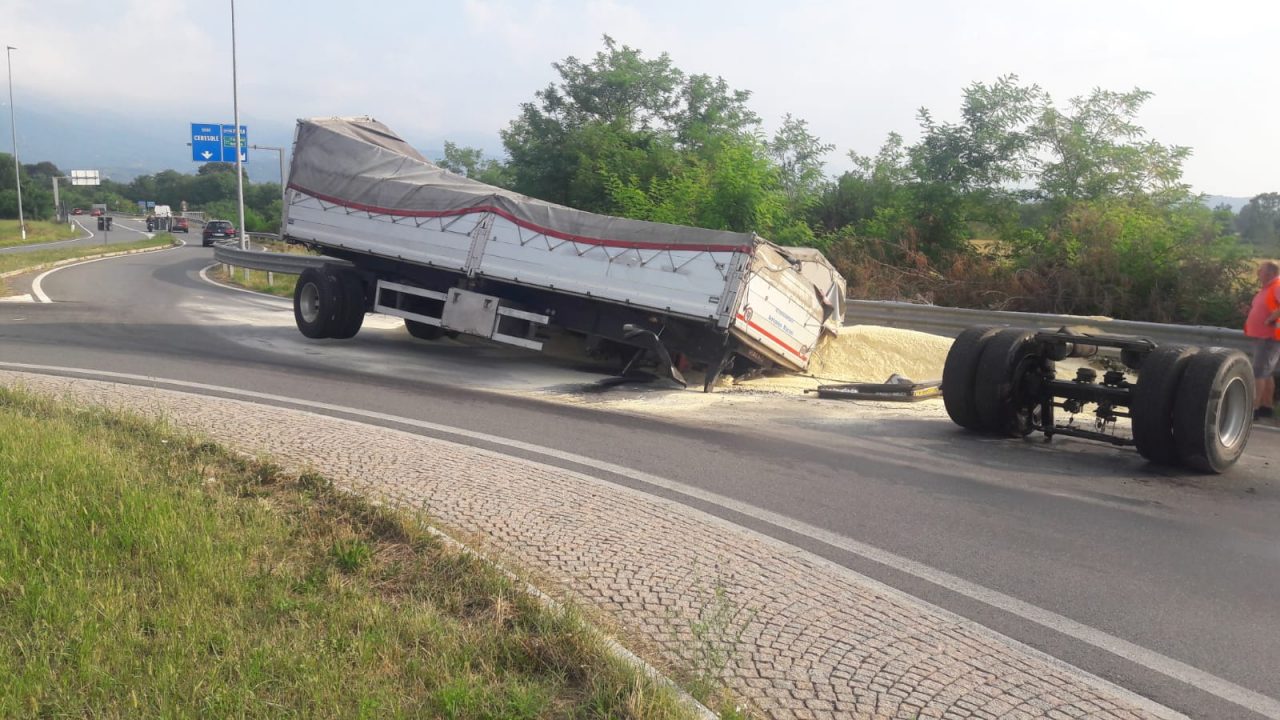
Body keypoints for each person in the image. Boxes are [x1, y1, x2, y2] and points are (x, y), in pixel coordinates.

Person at [1244, 260, 1280, 420]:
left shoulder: (1277, 286)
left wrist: (1271, 320)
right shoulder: (1267, 289)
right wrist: (1250, 312)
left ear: (1270, 273)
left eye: (1261, 270)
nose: (1258, 272)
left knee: (1259, 372)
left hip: (1269, 337)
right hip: (1263, 336)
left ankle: (1254, 409)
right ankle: (1266, 407)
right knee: (1266, 372)